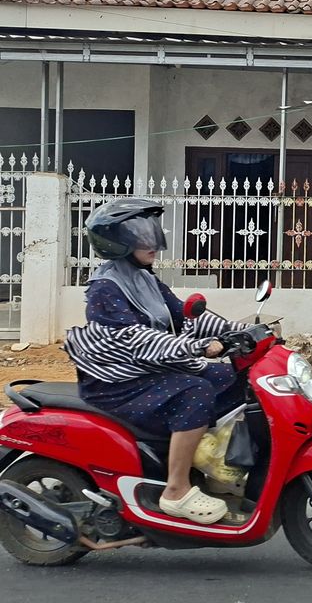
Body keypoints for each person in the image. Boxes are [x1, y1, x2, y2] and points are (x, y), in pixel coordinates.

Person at [65, 198, 243, 525]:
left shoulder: (145, 279)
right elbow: (137, 340)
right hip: (116, 383)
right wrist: (199, 348)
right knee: (196, 390)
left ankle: (207, 461)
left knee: (230, 378)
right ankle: (175, 490)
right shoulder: (106, 287)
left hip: (147, 370)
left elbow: (186, 317)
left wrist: (243, 331)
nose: (151, 242)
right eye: (138, 234)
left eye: (151, 232)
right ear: (115, 241)